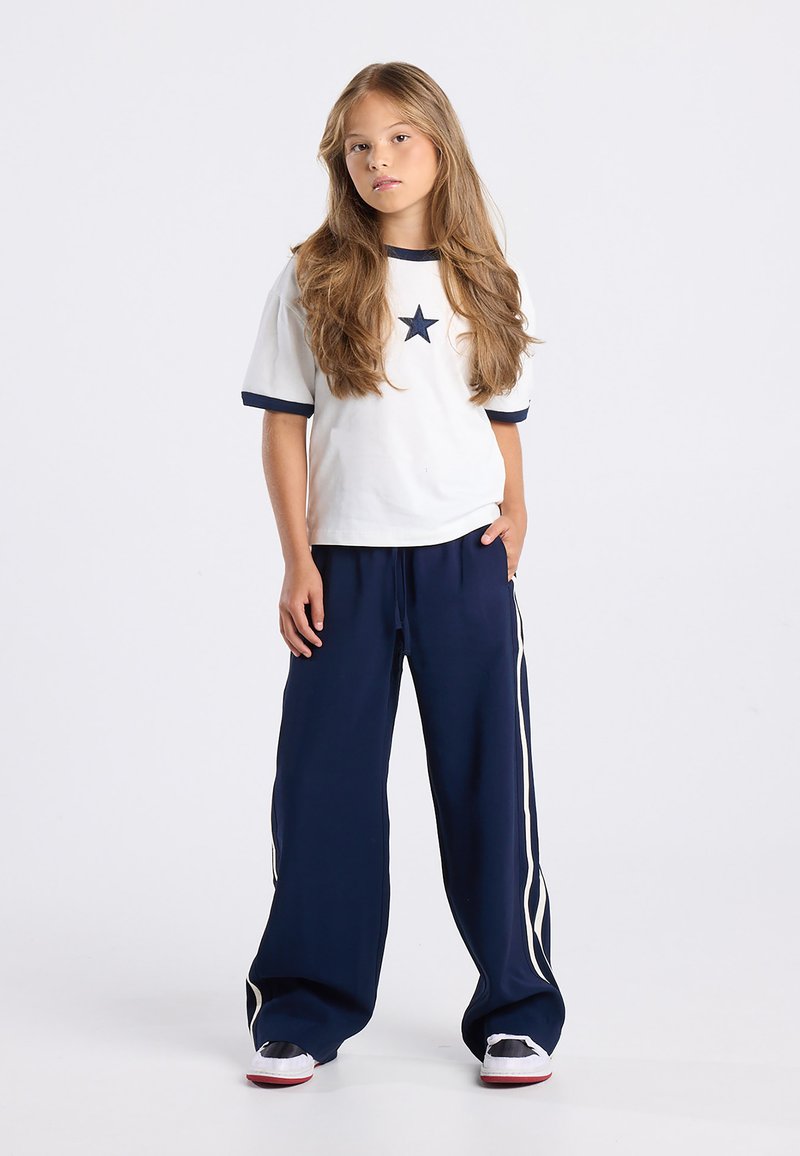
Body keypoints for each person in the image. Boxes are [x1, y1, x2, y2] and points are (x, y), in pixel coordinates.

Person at [239, 61, 567, 1088]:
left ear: (438, 146)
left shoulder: (487, 277)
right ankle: (303, 1007)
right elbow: (283, 427)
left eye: (398, 139)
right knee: (322, 786)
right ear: (340, 160)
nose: (379, 160)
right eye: (359, 146)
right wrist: (296, 556)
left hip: (463, 563)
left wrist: (516, 510)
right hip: (344, 566)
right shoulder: (312, 275)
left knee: (487, 784)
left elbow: (500, 414)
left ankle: (515, 1008)